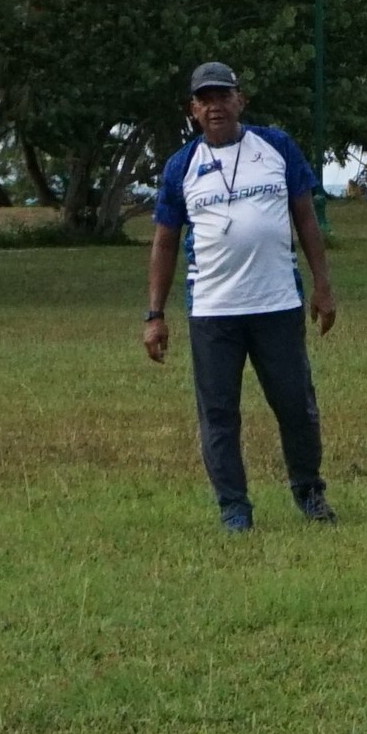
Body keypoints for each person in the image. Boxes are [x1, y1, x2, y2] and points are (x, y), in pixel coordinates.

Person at [143, 62, 338, 531]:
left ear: (240, 101)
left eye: (223, 96)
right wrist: (155, 314)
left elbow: (306, 218)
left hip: (277, 305)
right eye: (205, 99)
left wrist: (323, 286)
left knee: (296, 405)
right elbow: (165, 242)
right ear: (193, 110)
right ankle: (234, 508)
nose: (215, 107)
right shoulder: (181, 166)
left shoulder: (276, 147)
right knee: (219, 415)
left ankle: (309, 492)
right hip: (214, 312)